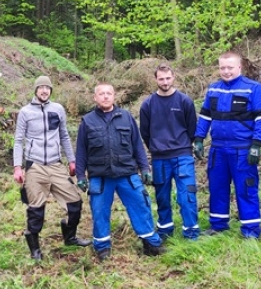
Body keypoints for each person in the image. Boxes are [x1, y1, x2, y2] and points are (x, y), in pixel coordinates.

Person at [75, 83, 165, 260]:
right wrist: (80, 175)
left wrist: (145, 168)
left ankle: (151, 244)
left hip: (127, 173)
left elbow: (138, 145)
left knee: (141, 205)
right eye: (101, 94)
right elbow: (81, 152)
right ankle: (102, 247)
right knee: (99, 211)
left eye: (109, 93)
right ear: (95, 97)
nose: (105, 96)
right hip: (99, 176)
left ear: (114, 96)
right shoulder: (87, 121)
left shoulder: (126, 117)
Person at [193, 51, 261, 239]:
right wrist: (198, 139)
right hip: (218, 149)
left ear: (239, 67)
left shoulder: (253, 89)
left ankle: (251, 230)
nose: (226, 71)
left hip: (243, 149)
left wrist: (256, 144)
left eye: (230, 67)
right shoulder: (213, 89)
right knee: (217, 188)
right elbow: (205, 116)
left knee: (246, 188)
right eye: (222, 68)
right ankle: (218, 225)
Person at [13, 75, 91, 260]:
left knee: (75, 202)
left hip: (56, 165)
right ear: (35, 90)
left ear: (51, 91)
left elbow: (64, 136)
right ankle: (35, 249)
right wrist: (17, 167)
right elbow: (18, 140)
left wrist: (72, 161)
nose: (44, 91)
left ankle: (70, 237)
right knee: (35, 209)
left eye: (47, 88)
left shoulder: (58, 109)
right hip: (35, 166)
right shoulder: (25, 112)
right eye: (41, 88)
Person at [140, 64, 200, 240]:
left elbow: (192, 128)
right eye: (161, 79)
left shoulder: (184, 101)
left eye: (168, 78)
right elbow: (144, 132)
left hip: (183, 156)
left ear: (173, 77)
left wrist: (187, 146)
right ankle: (165, 230)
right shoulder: (148, 104)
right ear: (155, 79)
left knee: (187, 195)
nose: (165, 82)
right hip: (159, 158)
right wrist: (155, 147)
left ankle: (191, 232)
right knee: (162, 197)